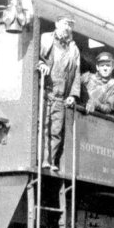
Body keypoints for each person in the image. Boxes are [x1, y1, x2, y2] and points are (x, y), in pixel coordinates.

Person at [38, 15, 81, 171]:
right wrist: (41, 64)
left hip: (61, 96)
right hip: (45, 91)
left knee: (56, 131)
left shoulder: (73, 49)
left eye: (70, 25)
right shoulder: (44, 39)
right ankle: (43, 159)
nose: (67, 27)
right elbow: (36, 57)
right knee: (43, 127)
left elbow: (76, 73)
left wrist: (73, 95)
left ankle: (52, 160)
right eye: (65, 23)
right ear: (56, 24)